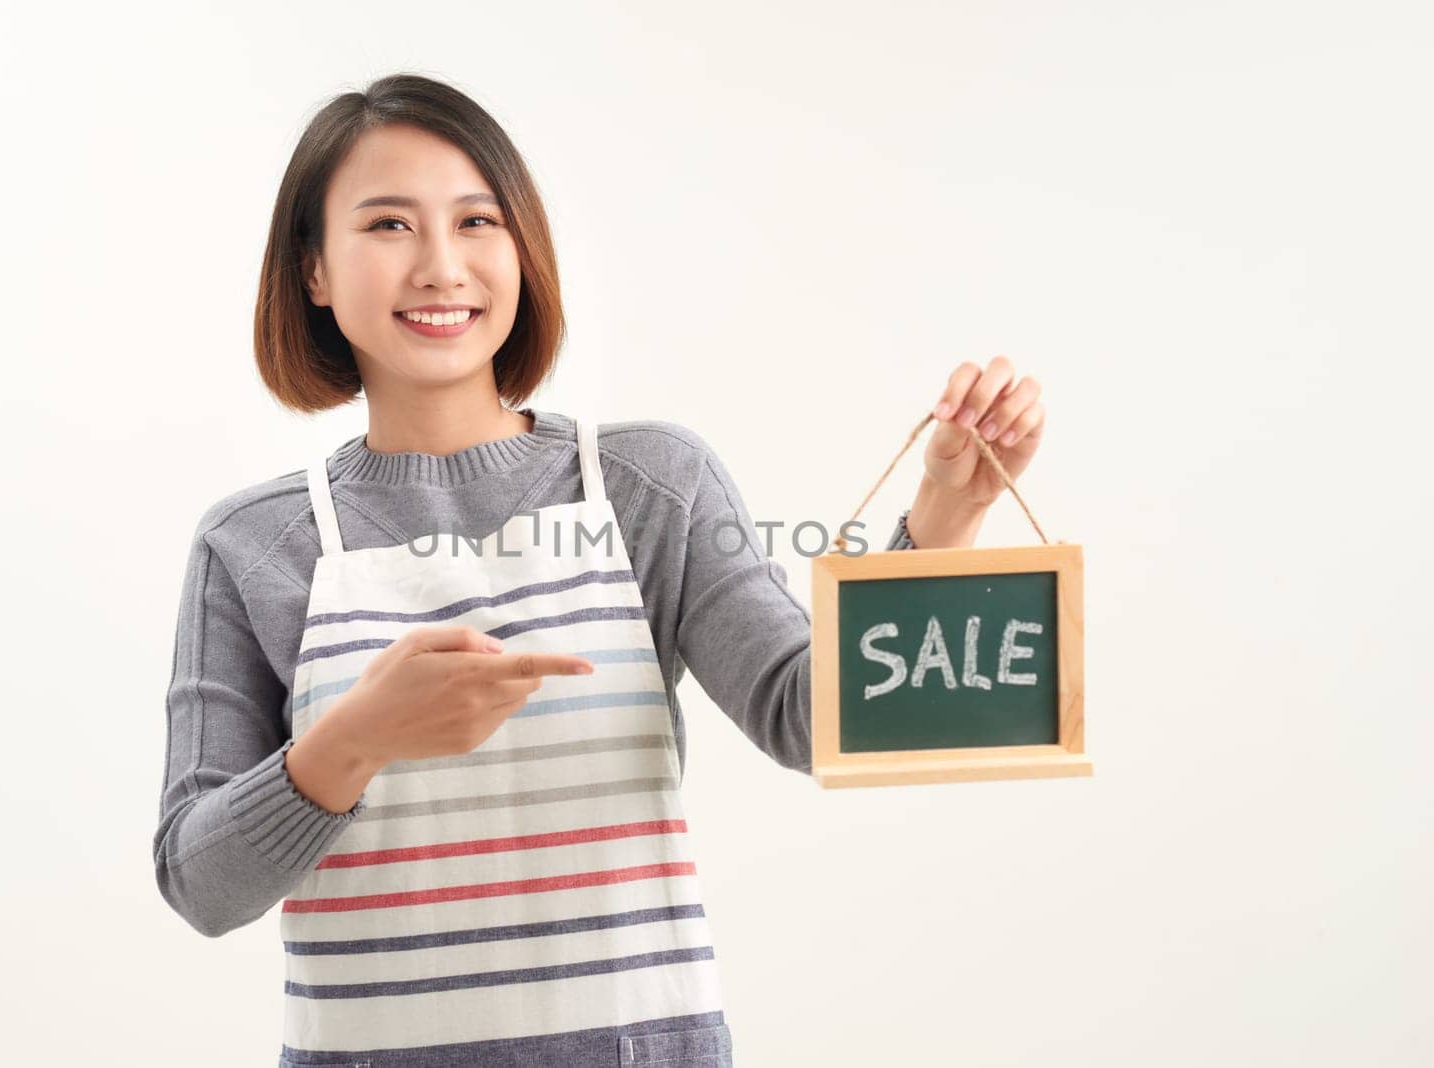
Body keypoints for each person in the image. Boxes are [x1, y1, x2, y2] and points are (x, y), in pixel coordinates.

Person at [152, 73, 1047, 1068]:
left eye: (477, 221)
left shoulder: (646, 484)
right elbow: (200, 884)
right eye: (389, 226)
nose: (442, 266)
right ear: (313, 269)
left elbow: (817, 724)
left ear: (522, 249)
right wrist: (351, 742)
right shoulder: (254, 543)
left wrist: (946, 513)